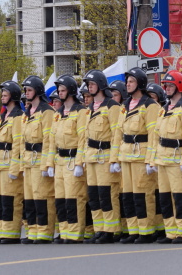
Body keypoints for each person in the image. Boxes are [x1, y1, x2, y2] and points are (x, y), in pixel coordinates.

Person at [149, 70, 182, 244]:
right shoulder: (164, 109)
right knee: (165, 198)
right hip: (163, 161)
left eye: (170, 85)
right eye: (166, 85)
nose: (167, 88)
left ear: (179, 86)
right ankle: (170, 231)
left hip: (178, 162)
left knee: (180, 198)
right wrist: (153, 159)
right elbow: (156, 136)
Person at [115, 68, 163, 244]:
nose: (128, 84)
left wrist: (151, 160)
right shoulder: (125, 105)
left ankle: (146, 230)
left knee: (143, 195)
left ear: (140, 84)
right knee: (128, 195)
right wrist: (115, 158)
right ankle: (133, 230)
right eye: (127, 81)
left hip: (141, 156)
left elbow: (153, 134)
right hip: (126, 156)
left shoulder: (150, 105)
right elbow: (118, 133)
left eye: (132, 81)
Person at [78, 69, 122, 244]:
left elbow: (116, 134)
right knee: (94, 196)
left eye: (92, 84)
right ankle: (99, 229)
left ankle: (111, 230)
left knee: (107, 195)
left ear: (101, 86)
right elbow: (84, 136)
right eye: (88, 85)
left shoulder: (112, 106)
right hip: (91, 157)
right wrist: (80, 160)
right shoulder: (88, 109)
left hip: (105, 157)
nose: (89, 87)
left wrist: (114, 159)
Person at [47, 74, 90, 244]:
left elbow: (82, 138)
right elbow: (51, 140)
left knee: (74, 198)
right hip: (60, 161)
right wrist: (50, 163)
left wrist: (80, 162)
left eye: (63, 90)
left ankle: (74, 233)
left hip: (73, 160)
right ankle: (64, 231)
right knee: (61, 199)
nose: (60, 93)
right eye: (59, 90)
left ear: (71, 91)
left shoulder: (81, 112)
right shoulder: (57, 114)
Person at [20, 75, 56, 245]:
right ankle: (33, 231)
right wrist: (21, 162)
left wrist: (48, 163)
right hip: (28, 160)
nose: (26, 93)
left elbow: (49, 139)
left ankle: (44, 231)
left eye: (29, 90)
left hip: (40, 158)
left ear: (38, 91)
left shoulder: (47, 111)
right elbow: (22, 141)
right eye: (25, 90)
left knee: (42, 197)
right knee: (30, 199)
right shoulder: (27, 113)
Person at [0, 80, 25, 244]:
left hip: (10, 164)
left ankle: (12, 233)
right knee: (0, 200)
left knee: (11, 200)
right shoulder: (2, 116)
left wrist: (15, 168)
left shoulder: (18, 116)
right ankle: (3, 231)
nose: (2, 97)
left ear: (13, 96)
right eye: (2, 95)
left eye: (5, 95)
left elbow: (18, 144)